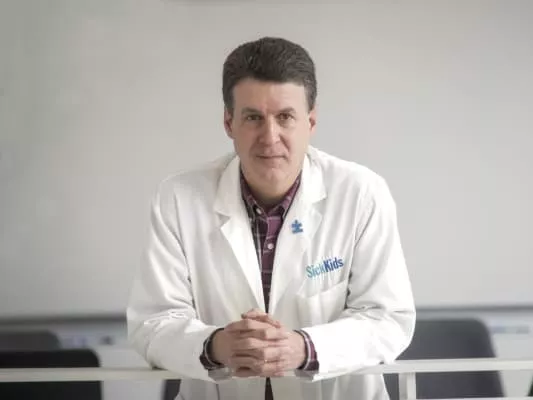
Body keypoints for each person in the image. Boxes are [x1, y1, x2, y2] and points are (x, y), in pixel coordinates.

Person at [127, 36, 416, 400]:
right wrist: (215, 346)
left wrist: (305, 349)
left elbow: (388, 319)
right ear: (229, 123)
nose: (270, 137)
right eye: (253, 118)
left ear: (310, 122)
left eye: (285, 117)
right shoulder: (179, 197)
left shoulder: (361, 193)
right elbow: (152, 323)